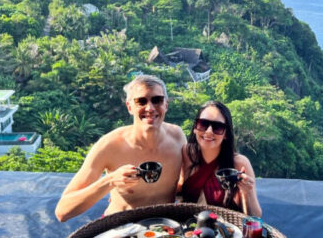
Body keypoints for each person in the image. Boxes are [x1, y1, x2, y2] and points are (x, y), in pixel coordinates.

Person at [55, 75, 186, 221]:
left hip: (165, 228)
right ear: (130, 107)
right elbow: (62, 211)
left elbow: (182, 183)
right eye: (141, 101)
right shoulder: (110, 145)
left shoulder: (178, 137)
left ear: (166, 105)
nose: (149, 108)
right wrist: (109, 181)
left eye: (157, 100)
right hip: (121, 227)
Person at [179, 101, 262, 217]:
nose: (208, 131)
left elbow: (255, 216)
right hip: (189, 229)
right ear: (195, 128)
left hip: (227, 231)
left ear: (226, 134)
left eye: (217, 127)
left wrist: (247, 192)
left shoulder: (239, 163)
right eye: (203, 124)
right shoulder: (187, 153)